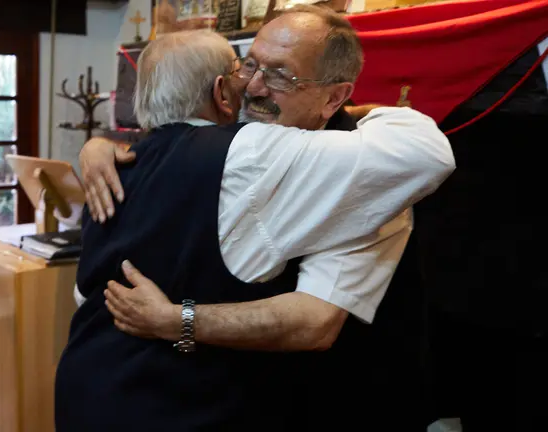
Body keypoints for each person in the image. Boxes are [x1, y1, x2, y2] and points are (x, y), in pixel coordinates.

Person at [55, 7, 454, 431]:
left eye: (280, 74)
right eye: (250, 65)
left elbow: (314, 324)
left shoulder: (367, 177)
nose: (253, 86)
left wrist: (176, 320)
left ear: (334, 97)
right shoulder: (226, 147)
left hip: (343, 397)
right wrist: (101, 147)